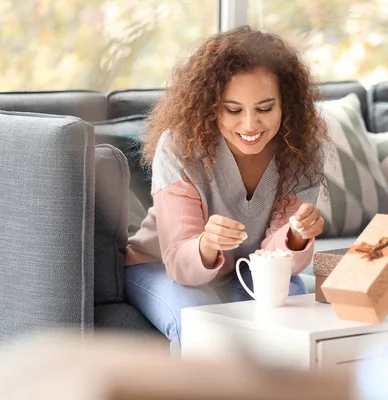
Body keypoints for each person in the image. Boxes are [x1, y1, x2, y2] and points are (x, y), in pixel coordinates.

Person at [124, 26, 329, 352]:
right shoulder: (179, 147)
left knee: (292, 313)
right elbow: (179, 261)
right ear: (209, 106)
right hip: (160, 267)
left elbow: (280, 259)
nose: (250, 125)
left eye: (265, 108)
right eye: (233, 110)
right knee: (198, 323)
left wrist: (296, 235)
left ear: (285, 103)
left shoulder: (302, 148)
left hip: (249, 268)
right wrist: (207, 243)